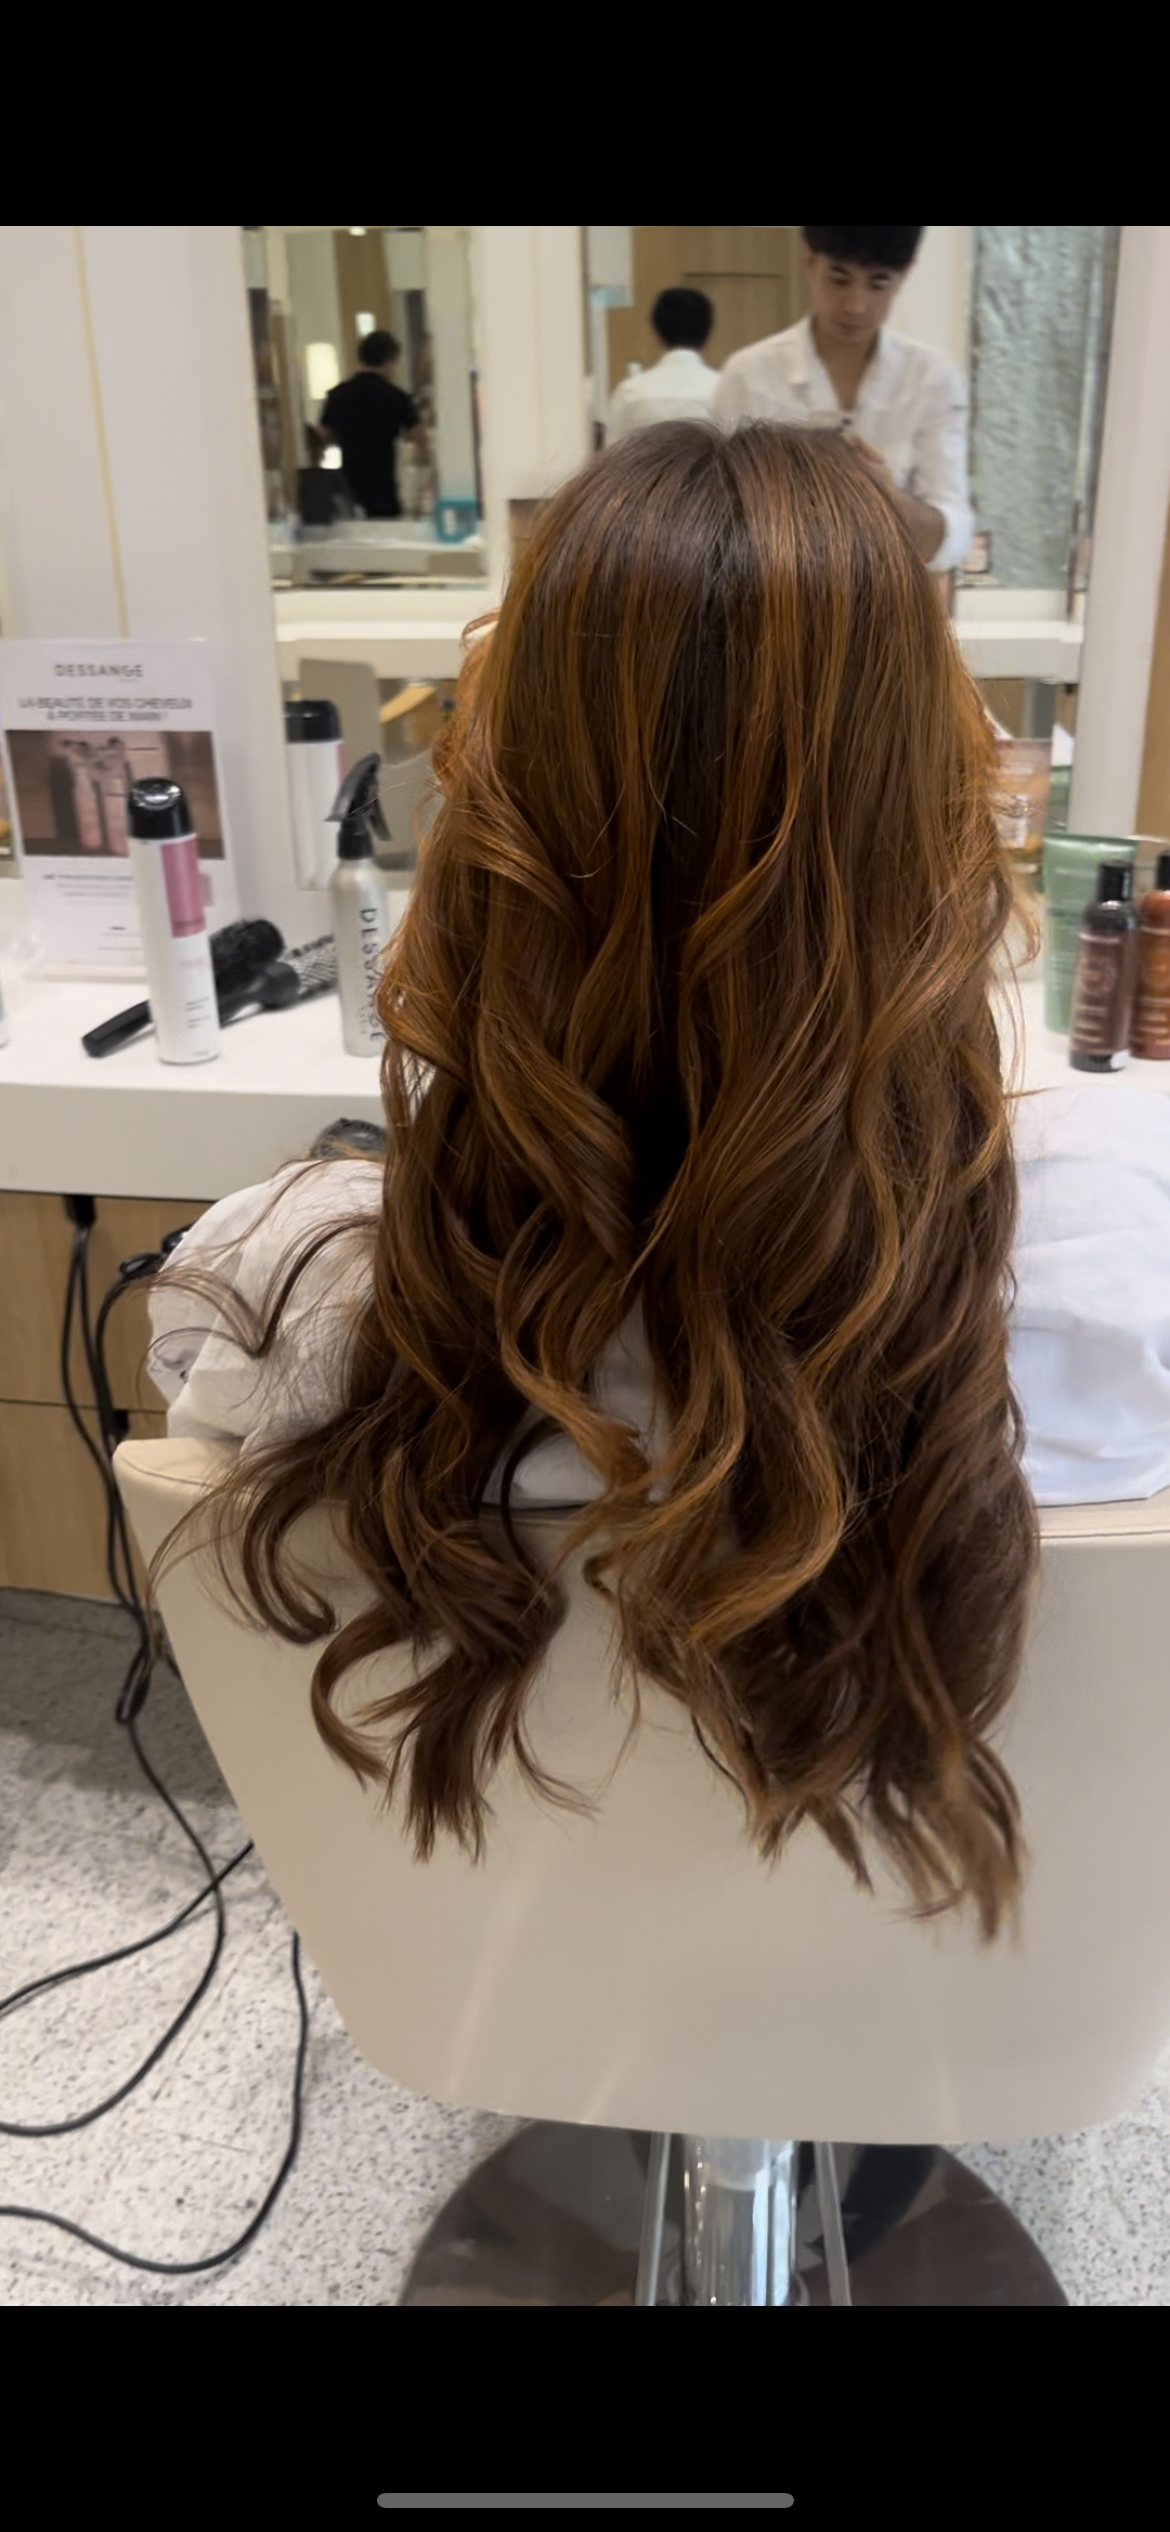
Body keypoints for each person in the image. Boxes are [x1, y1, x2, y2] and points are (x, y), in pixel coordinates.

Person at [145, 423, 1170, 1949]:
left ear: (494, 817)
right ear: (931, 819)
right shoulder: (1118, 1249)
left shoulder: (280, 1285)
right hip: (973, 1967)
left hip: (512, 1975)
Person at [712, 227, 973, 571]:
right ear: (809, 260)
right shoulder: (748, 376)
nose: (855, 306)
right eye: (839, 279)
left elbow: (953, 537)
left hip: (890, 595)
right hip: (775, 591)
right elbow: (712, 518)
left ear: (905, 275)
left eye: (878, 284)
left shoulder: (931, 379)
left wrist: (888, 500)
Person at [318, 330, 420, 521]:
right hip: (384, 489)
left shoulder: (337, 395)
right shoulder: (396, 396)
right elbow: (416, 436)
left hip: (348, 488)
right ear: (389, 360)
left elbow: (324, 437)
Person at [607, 288, 720, 440]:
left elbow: (612, 451)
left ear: (657, 331)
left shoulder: (630, 393)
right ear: (708, 331)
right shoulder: (723, 391)